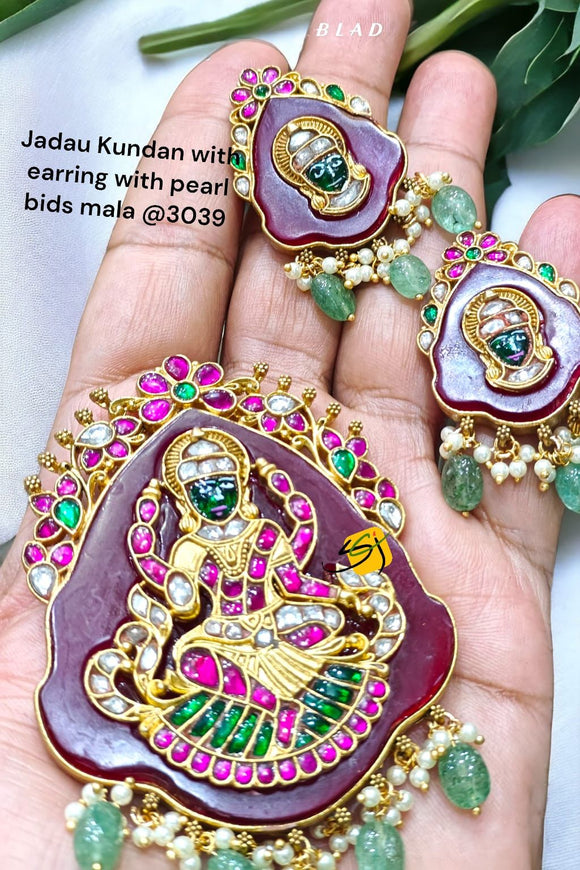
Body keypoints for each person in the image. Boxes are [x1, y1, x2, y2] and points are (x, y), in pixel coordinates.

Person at [1, 0, 577, 866]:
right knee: (200, 663)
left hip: (291, 629)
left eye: (220, 477)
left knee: (326, 626)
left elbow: (319, 569)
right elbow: (174, 613)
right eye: (200, 484)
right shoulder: (186, 546)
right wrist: (175, 626)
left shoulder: (272, 525)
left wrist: (349, 579)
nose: (214, 491)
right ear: (182, 494)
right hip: (226, 648)